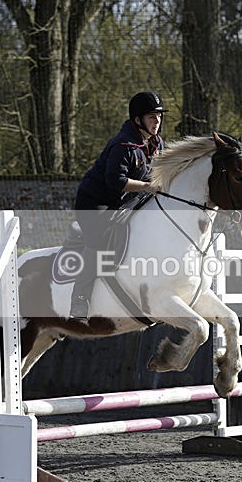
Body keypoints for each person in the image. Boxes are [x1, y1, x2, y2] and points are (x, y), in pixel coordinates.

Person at [70, 91, 168, 320]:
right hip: (96, 203)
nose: (157, 121)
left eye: (159, 116)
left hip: (125, 201)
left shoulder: (157, 143)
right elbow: (116, 182)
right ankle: (80, 299)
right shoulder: (122, 145)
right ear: (137, 120)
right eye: (152, 117)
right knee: (100, 241)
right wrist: (146, 186)